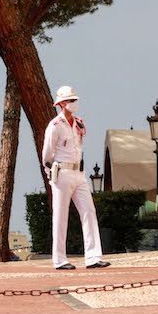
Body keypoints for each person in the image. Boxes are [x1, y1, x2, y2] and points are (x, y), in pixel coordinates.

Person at [42, 86, 109, 271]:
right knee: (60, 216)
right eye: (71, 101)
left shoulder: (79, 123)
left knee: (89, 211)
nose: (74, 103)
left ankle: (93, 257)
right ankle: (60, 260)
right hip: (62, 173)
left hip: (79, 173)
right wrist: (52, 175)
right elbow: (47, 155)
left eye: (74, 100)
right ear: (62, 103)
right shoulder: (54, 126)